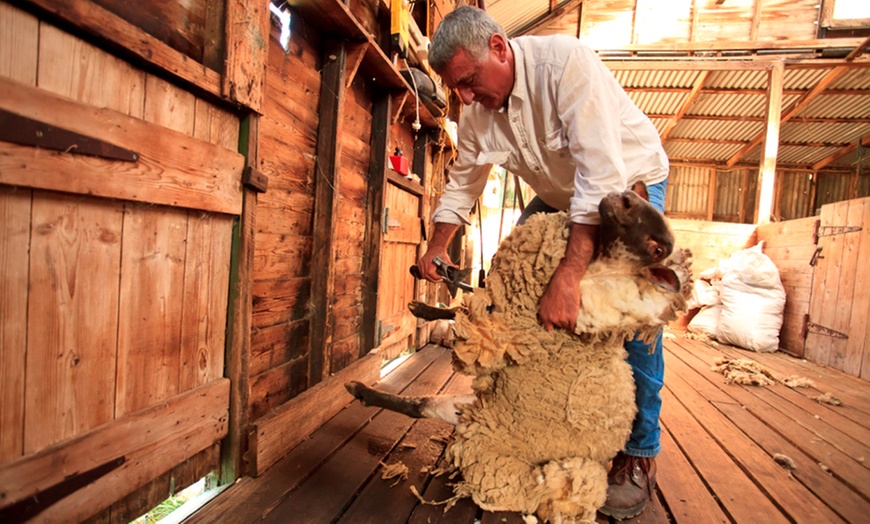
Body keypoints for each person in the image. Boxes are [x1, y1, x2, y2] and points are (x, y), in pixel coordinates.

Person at [416, 6, 669, 520]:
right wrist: (437, 246)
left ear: (499, 48)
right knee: (514, 278)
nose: (464, 96)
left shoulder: (566, 66)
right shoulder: (476, 112)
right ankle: (539, 411)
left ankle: (639, 455)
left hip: (625, 186)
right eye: (455, 89)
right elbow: (464, 181)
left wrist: (571, 277)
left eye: (468, 81)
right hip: (558, 194)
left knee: (630, 312)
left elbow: (599, 180)